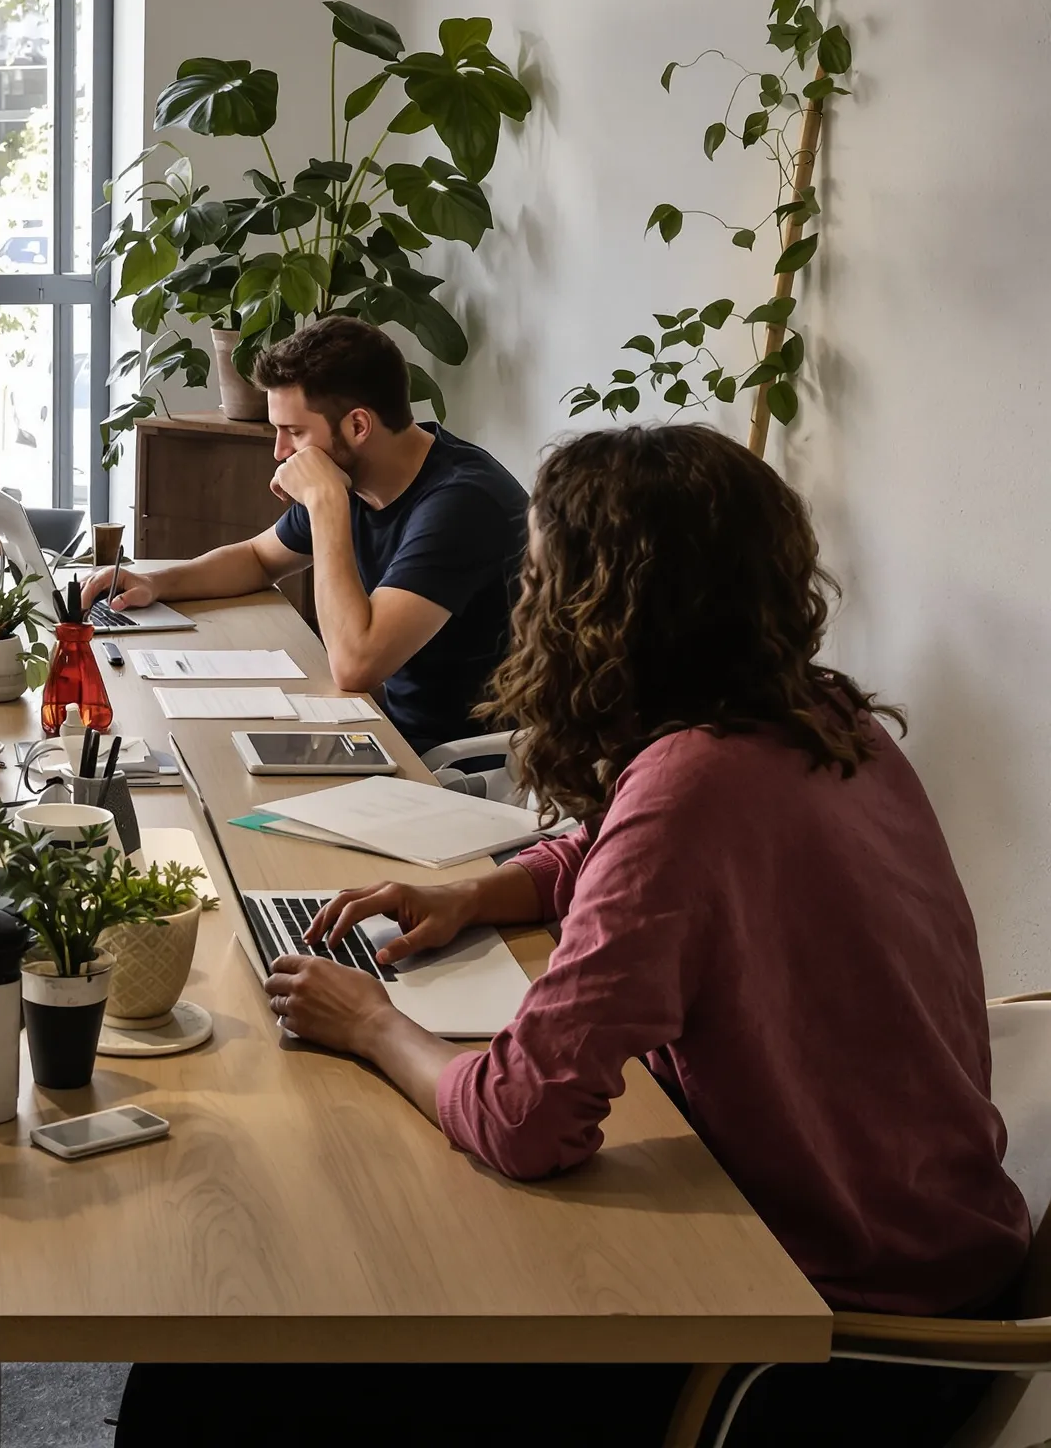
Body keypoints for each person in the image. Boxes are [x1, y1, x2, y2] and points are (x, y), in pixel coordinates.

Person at [118, 424, 1029, 1448]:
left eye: (541, 565)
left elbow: (521, 1115)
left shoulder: (692, 784)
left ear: (603, 599)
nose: (527, 591)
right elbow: (617, 855)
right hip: (937, 1250)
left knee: (218, 1367)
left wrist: (372, 1023)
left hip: (811, 1342)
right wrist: (478, 895)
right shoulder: (824, 721)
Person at [84, 316, 527, 757]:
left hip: (464, 765)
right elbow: (259, 558)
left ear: (358, 426)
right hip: (388, 730)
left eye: (294, 432)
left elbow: (356, 665)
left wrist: (325, 502)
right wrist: (158, 582)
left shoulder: (462, 504)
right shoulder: (354, 474)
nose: (279, 451)